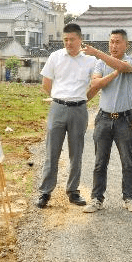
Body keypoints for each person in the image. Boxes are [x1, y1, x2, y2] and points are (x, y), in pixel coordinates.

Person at [35, 23, 97, 209]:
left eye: (72, 39)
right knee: (51, 152)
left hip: (79, 110)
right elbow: (46, 83)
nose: (68, 43)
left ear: (80, 40)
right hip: (58, 108)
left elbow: (95, 85)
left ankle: (73, 191)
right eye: (65, 40)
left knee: (76, 152)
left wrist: (83, 100)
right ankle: (45, 192)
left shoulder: (90, 60)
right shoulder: (55, 57)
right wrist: (58, 99)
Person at [84, 29, 132, 213]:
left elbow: (124, 67)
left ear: (126, 44)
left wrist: (96, 52)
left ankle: (129, 198)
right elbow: (96, 84)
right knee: (100, 162)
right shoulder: (101, 63)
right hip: (103, 118)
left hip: (125, 118)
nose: (113, 46)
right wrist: (115, 73)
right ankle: (97, 199)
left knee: (127, 162)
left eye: (117, 42)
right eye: (111, 42)